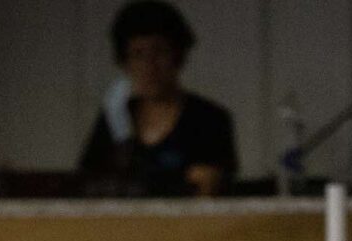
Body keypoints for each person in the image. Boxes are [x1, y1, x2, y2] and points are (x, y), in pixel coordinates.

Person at [79, 1, 237, 197]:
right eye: (138, 54)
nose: (149, 66)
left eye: (159, 51)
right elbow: (86, 183)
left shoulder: (209, 120)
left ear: (177, 56)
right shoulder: (115, 118)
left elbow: (210, 188)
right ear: (125, 62)